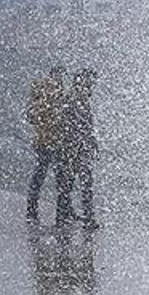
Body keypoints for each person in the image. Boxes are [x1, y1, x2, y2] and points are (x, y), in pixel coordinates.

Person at [25, 66, 73, 225]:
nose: (59, 80)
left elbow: (31, 116)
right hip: (49, 142)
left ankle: (58, 213)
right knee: (56, 178)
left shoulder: (53, 94)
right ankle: (60, 214)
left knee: (46, 176)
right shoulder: (47, 94)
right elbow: (33, 116)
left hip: (50, 141)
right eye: (58, 76)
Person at [64, 68, 99, 229]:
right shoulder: (77, 97)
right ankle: (87, 216)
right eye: (90, 80)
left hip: (76, 146)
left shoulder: (76, 95)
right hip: (77, 147)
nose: (92, 83)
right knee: (84, 182)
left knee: (72, 181)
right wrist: (87, 140)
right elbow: (78, 123)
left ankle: (69, 212)